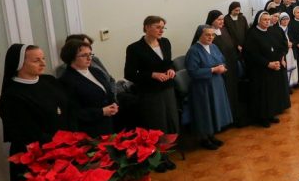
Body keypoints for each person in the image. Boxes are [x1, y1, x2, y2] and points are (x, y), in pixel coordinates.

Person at [0, 44, 75, 181]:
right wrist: (60, 145)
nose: (43, 63)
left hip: (64, 150)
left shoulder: (50, 80)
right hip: (37, 156)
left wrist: (71, 138)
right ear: (19, 64)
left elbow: (70, 109)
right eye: (36, 60)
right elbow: (28, 133)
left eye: (43, 58)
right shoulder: (12, 96)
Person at [124, 15, 178, 171]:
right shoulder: (134, 48)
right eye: (158, 27)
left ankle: (166, 156)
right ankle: (157, 160)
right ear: (147, 27)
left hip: (167, 88)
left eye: (163, 27)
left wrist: (171, 69)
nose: (161, 30)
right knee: (156, 125)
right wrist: (152, 75)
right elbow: (129, 74)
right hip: (150, 92)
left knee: (169, 122)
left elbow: (169, 63)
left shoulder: (165, 42)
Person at [59, 39, 118, 137]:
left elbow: (107, 92)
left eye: (90, 54)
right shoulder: (66, 80)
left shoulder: (96, 71)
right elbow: (74, 112)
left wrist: (114, 104)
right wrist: (101, 112)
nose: (89, 58)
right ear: (71, 57)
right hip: (89, 130)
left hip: (108, 123)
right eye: (84, 55)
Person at [185, 25, 231, 150]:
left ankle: (211, 135)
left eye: (213, 35)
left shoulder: (214, 47)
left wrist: (222, 66)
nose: (211, 37)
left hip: (216, 84)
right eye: (207, 35)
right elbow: (193, 72)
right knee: (205, 112)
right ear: (199, 35)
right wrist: (213, 70)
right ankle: (204, 138)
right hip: (202, 87)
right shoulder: (194, 51)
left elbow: (222, 60)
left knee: (214, 110)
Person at [243, 11, 290, 127]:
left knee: (271, 93)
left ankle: (271, 114)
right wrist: (267, 64)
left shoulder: (271, 31)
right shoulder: (252, 34)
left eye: (268, 19)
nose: (267, 22)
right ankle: (262, 118)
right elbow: (251, 54)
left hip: (273, 68)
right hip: (260, 70)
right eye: (264, 20)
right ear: (258, 21)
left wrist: (279, 59)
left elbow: (278, 47)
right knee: (262, 95)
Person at [205, 10, 241, 126]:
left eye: (222, 19)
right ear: (212, 21)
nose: (222, 22)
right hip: (219, 68)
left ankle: (234, 115)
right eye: (219, 19)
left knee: (233, 90)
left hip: (231, 64)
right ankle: (225, 119)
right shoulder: (207, 33)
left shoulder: (224, 30)